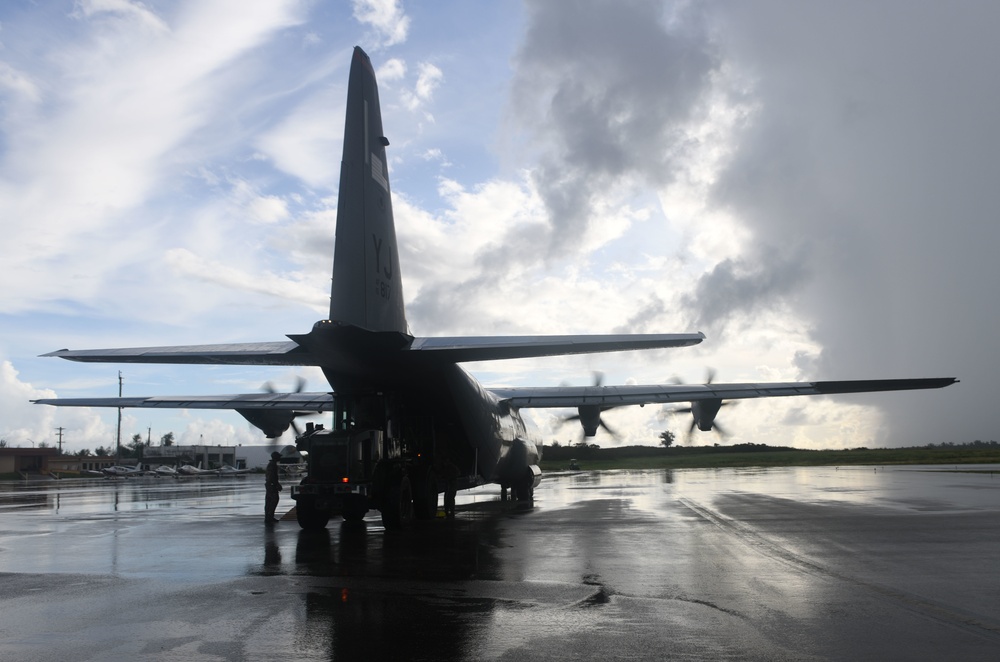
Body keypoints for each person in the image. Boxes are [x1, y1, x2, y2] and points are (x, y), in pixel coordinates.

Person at [265, 451, 283, 524]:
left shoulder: (271, 464)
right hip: (272, 485)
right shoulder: (273, 465)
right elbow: (273, 477)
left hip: (269, 485)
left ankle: (268, 517)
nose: (280, 457)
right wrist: (277, 485)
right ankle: (270, 517)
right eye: (278, 456)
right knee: (273, 501)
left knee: (268, 501)